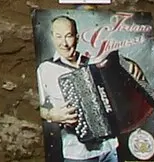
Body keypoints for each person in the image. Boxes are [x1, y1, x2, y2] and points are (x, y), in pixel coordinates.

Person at [37, 15, 131, 161]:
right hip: (77, 153)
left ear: (77, 37)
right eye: (58, 36)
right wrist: (51, 115)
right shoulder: (45, 69)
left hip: (110, 149)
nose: (64, 43)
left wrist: (130, 66)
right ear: (52, 38)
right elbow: (36, 109)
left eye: (68, 36)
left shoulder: (95, 63)